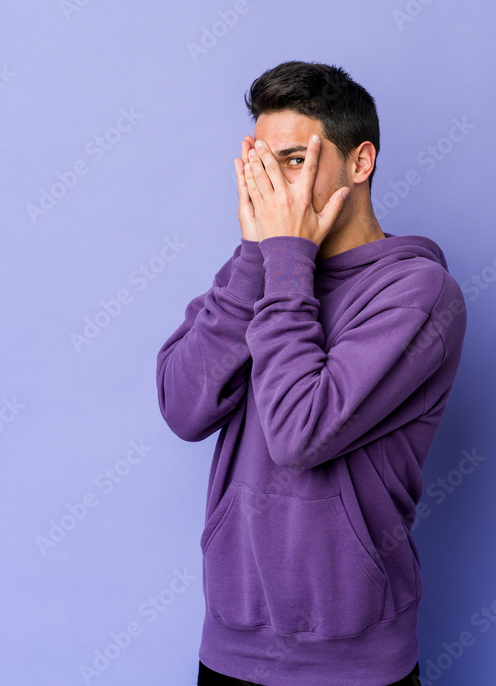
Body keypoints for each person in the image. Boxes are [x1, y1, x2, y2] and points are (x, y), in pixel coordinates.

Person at [156, 60, 466, 686]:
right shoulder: (263, 271)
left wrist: (285, 261)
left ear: (360, 162)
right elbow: (184, 408)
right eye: (263, 166)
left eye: (295, 160)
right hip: (229, 648)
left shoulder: (417, 292)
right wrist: (256, 259)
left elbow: (300, 434)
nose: (276, 187)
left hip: (349, 662)